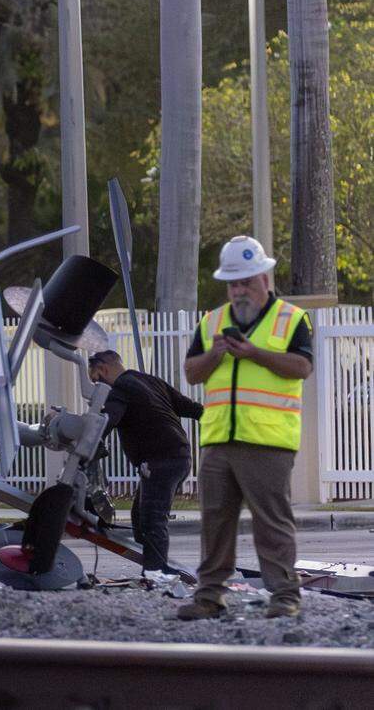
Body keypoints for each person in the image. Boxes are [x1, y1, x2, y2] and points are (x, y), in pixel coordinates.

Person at [176, 235, 313, 621]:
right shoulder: (212, 323)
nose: (240, 290)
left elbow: (302, 367)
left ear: (264, 279)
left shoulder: (291, 319)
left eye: (247, 281)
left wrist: (254, 353)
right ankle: (209, 596)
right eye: (234, 283)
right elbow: (191, 373)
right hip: (219, 440)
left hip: (268, 441)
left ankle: (285, 596)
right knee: (215, 523)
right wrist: (217, 352)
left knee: (273, 524)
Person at [88, 350, 203, 574]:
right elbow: (189, 407)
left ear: (103, 369)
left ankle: (155, 573)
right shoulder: (150, 381)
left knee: (152, 519)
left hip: (161, 459)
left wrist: (90, 441)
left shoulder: (120, 388)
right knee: (140, 518)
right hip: (179, 456)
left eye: (96, 380)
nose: (97, 387)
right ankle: (153, 564)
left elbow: (108, 420)